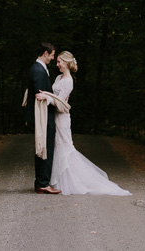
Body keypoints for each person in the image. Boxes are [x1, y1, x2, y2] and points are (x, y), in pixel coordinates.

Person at [48, 51, 130, 196]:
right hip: (55, 116)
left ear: (67, 63)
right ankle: (57, 179)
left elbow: (59, 101)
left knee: (64, 146)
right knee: (57, 146)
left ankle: (70, 181)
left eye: (60, 61)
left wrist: (46, 97)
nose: (57, 64)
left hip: (62, 117)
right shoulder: (58, 77)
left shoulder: (68, 81)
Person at [25, 42, 60, 192]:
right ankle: (43, 183)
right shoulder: (39, 70)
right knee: (45, 148)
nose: (52, 58)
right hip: (43, 116)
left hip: (43, 116)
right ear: (45, 53)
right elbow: (40, 95)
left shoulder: (37, 68)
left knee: (43, 148)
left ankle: (41, 182)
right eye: (52, 55)